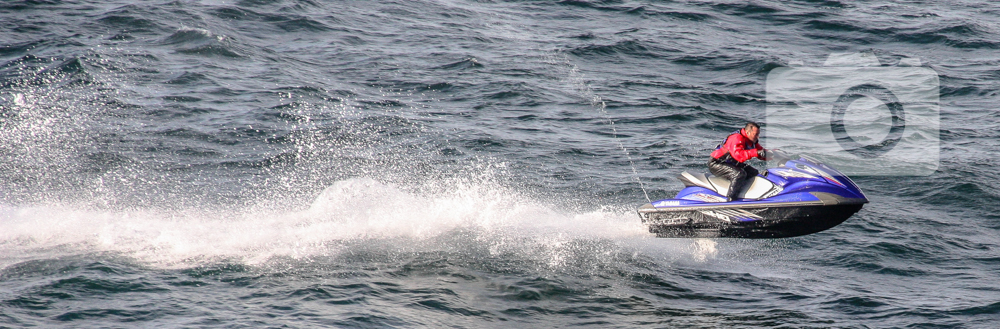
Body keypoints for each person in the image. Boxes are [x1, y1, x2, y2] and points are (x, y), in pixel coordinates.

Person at [708, 122, 770, 202]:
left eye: (758, 134)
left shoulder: (752, 141)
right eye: (756, 134)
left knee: (753, 173)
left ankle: (750, 197)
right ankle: (731, 200)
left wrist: (773, 154)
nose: (757, 137)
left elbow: (761, 152)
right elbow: (738, 155)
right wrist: (756, 152)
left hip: (731, 162)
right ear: (748, 132)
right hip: (716, 163)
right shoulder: (736, 138)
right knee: (739, 174)